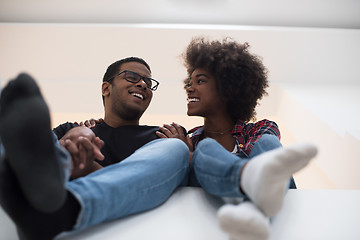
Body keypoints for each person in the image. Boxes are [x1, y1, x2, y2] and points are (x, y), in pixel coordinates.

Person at [0, 57, 190, 239]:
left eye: (148, 82)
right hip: (46, 196)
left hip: (67, 209)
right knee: (30, 135)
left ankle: (64, 204)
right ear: (106, 88)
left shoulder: (162, 135)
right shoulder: (71, 128)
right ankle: (34, 172)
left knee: (176, 149)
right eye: (132, 77)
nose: (142, 84)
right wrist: (70, 140)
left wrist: (88, 167)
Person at [156, 37, 318, 240]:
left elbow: (262, 157)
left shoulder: (261, 128)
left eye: (200, 81)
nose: (189, 88)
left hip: (275, 226)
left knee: (267, 144)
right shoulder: (191, 141)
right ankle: (253, 205)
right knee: (206, 147)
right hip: (213, 224)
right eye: (189, 83)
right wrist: (183, 154)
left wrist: (192, 157)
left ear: (227, 89)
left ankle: (253, 212)